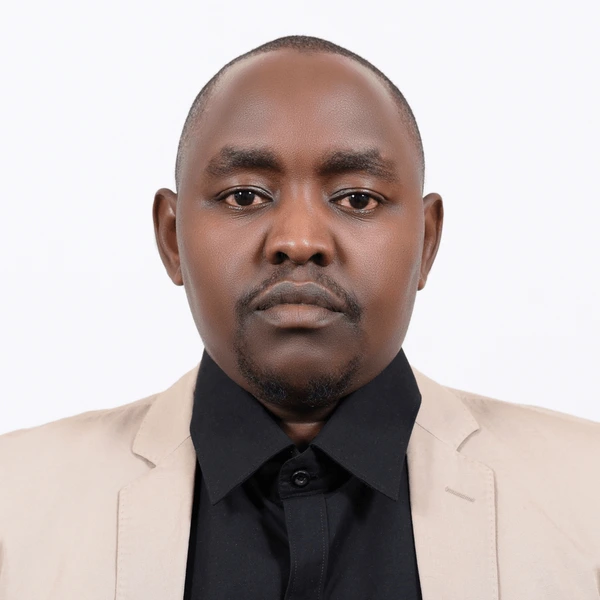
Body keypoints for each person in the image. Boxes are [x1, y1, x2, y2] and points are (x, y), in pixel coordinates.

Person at [0, 35, 598, 600]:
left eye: (357, 198)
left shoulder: (586, 496)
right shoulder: (14, 507)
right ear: (171, 239)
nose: (299, 239)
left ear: (427, 242)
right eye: (244, 196)